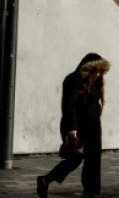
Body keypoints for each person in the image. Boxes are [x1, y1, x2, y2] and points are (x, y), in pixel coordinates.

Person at [37, 53, 110, 198]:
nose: (98, 74)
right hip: (75, 126)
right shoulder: (72, 80)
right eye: (95, 70)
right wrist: (72, 129)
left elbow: (94, 104)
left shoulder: (96, 82)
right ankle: (45, 180)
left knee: (93, 159)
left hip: (94, 126)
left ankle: (90, 191)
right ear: (88, 68)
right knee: (74, 159)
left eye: (100, 71)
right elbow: (68, 105)